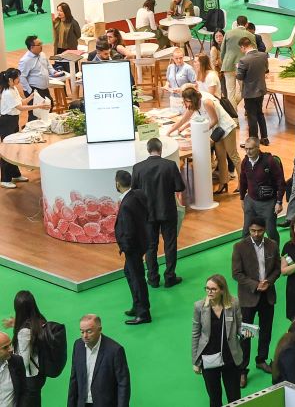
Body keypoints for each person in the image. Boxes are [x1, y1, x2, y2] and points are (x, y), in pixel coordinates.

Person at [231, 216, 280, 388]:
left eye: (259, 230)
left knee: (266, 330)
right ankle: (243, 370)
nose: (256, 234)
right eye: (253, 231)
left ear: (265, 229)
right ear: (249, 230)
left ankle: (261, 359)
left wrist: (269, 282)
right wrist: (255, 285)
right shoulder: (239, 247)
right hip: (248, 299)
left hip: (267, 296)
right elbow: (236, 273)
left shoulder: (273, 245)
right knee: (246, 334)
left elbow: (277, 269)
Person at [130, 137, 184, 289]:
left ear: (148, 150)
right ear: (161, 149)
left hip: (147, 213)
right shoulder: (170, 165)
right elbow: (180, 187)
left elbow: (134, 191)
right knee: (170, 245)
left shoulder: (137, 168)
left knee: (150, 246)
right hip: (167, 211)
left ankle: (153, 278)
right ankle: (170, 277)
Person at [168, 88, 240, 194]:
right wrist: (169, 132)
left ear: (192, 99)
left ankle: (243, 184)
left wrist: (201, 130)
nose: (185, 104)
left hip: (227, 127)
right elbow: (183, 119)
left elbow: (214, 120)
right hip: (217, 132)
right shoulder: (194, 104)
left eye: (186, 101)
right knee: (220, 157)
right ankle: (223, 184)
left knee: (233, 156)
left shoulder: (206, 102)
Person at [192, 274, 244, 407]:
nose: (209, 291)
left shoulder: (233, 303)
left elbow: (239, 327)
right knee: (214, 399)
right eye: (207, 288)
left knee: (235, 398)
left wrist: (245, 333)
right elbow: (195, 334)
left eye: (213, 289)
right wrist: (195, 361)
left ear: (222, 290)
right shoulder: (199, 306)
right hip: (208, 360)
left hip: (230, 359)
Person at [111, 171, 152, 328]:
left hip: (133, 247)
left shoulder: (127, 204)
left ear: (117, 184)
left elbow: (128, 230)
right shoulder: (138, 195)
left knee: (137, 278)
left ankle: (143, 313)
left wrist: (125, 247)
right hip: (141, 243)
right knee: (129, 273)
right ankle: (137, 305)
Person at [67, 314, 130, 407]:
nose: (85, 336)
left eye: (89, 331)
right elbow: (74, 378)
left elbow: (123, 384)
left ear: (99, 329)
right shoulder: (78, 345)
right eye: (82, 331)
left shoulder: (115, 350)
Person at [238, 138, 284, 242]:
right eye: (246, 149)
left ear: (258, 148)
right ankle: (247, 255)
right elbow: (242, 180)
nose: (248, 151)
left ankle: (274, 256)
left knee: (271, 232)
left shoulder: (270, 161)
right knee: (246, 232)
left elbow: (281, 182)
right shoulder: (245, 162)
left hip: (268, 204)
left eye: (251, 149)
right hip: (250, 201)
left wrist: (279, 202)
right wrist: (242, 198)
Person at [236, 36, 269, 145]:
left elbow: (240, 77)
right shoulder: (264, 55)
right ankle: (264, 138)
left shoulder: (243, 60)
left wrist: (237, 68)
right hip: (260, 90)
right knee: (260, 113)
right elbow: (266, 70)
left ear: (242, 47)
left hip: (249, 92)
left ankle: (252, 142)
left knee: (252, 117)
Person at [221, 16, 254, 107]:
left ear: (236, 23)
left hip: (228, 65)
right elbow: (254, 52)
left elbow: (222, 51)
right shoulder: (250, 35)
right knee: (245, 91)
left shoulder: (228, 33)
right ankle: (247, 110)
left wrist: (223, 63)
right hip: (244, 67)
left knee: (230, 93)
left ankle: (234, 117)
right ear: (246, 24)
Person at [0, 330, 26, 406]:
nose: (11, 349)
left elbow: (24, 391)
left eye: (10, 344)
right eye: (5, 347)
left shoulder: (17, 361)